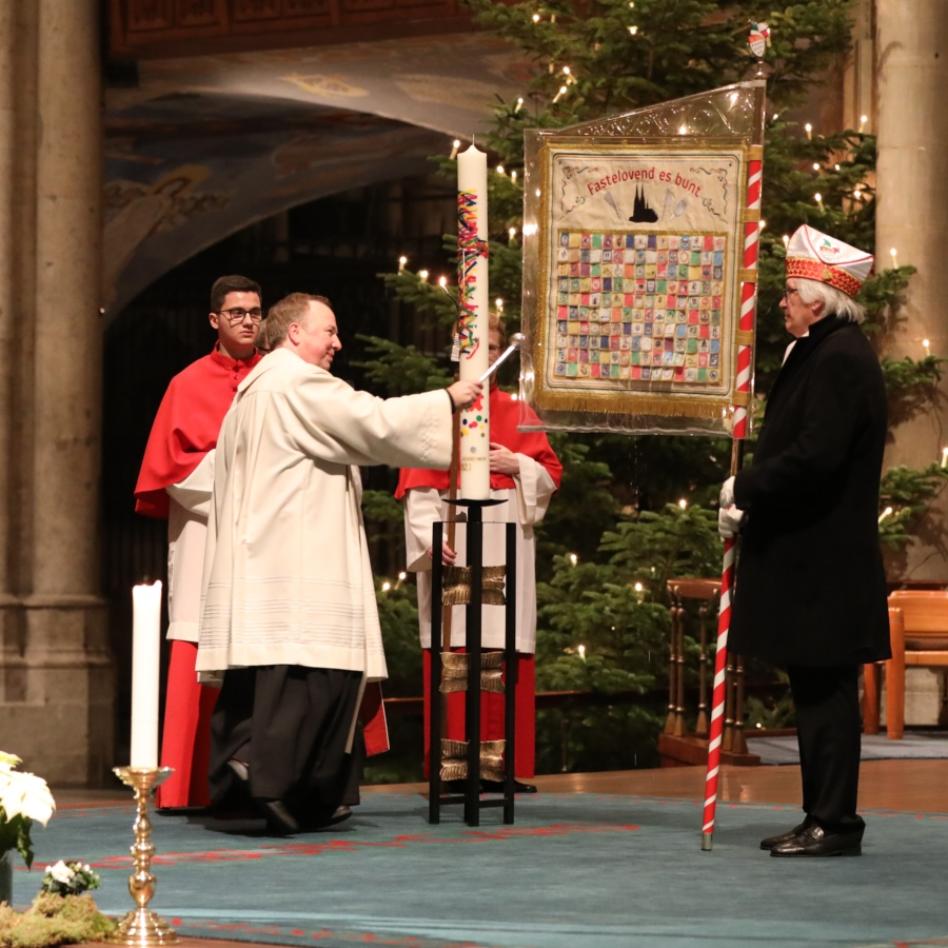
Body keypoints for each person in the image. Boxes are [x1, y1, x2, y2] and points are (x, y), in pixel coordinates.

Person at [196, 292, 481, 835]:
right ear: (294, 333)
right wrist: (445, 399)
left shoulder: (252, 392)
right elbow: (370, 422)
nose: (337, 343)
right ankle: (275, 782)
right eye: (328, 331)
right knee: (312, 675)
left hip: (265, 556)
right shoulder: (294, 381)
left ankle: (270, 776)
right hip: (301, 558)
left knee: (272, 679)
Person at [718, 224, 889, 857]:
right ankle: (822, 814)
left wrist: (747, 487)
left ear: (818, 300)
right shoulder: (822, 349)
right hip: (810, 558)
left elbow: (815, 456)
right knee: (815, 691)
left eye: (790, 292)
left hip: (825, 561)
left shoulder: (841, 357)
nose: (782, 302)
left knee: (827, 693)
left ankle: (835, 822)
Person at [396, 316, 563, 792]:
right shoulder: (437, 411)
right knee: (456, 652)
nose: (486, 356)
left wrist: (520, 463)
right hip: (455, 543)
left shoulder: (519, 409)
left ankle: (496, 769)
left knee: (500, 651)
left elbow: (550, 476)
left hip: (507, 540)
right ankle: (452, 768)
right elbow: (417, 488)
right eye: (476, 348)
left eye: (493, 347)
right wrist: (431, 537)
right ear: (457, 352)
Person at [134, 274, 264, 810]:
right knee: (195, 639)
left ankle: (251, 778)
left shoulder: (277, 380)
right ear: (214, 320)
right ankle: (185, 786)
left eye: (256, 312)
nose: (248, 321)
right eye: (237, 313)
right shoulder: (186, 385)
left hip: (262, 535)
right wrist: (242, 477)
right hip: (205, 534)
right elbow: (174, 471)